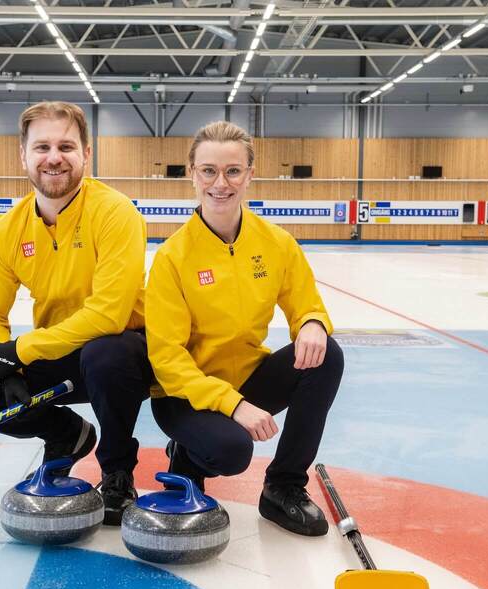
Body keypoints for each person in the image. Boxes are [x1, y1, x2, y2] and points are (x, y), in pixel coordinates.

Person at [0, 101, 152, 526]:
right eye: (42, 147)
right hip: (60, 347)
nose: (54, 157)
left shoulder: (115, 212)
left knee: (106, 351)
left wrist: (21, 349)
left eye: (66, 146)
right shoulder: (7, 230)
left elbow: (109, 315)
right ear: (23, 155)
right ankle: (65, 433)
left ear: (86, 155)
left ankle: (116, 470)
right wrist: (4, 363)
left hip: (129, 354)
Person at [145, 121, 344, 536]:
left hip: (247, 380)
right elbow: (166, 359)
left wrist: (311, 323)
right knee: (232, 451)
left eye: (233, 171)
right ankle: (186, 457)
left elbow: (306, 302)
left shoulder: (276, 243)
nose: (221, 183)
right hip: (186, 395)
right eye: (209, 171)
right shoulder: (173, 257)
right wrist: (233, 406)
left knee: (327, 356)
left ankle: (283, 487)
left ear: (250, 175)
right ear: (192, 174)